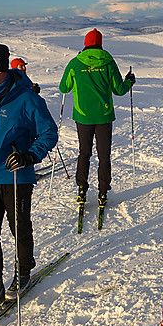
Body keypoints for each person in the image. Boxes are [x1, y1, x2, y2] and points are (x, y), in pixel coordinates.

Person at [0, 42, 58, 309]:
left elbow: (49, 133)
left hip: (16, 177)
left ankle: (23, 273)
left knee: (20, 229)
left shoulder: (27, 99)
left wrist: (30, 156)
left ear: (0, 70)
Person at [58, 28, 135, 207]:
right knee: (104, 155)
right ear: (100, 43)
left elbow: (64, 88)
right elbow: (119, 90)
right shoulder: (108, 62)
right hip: (104, 116)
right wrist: (129, 80)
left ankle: (82, 190)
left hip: (83, 116)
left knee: (84, 152)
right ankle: (102, 192)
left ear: (85, 44)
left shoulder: (75, 63)